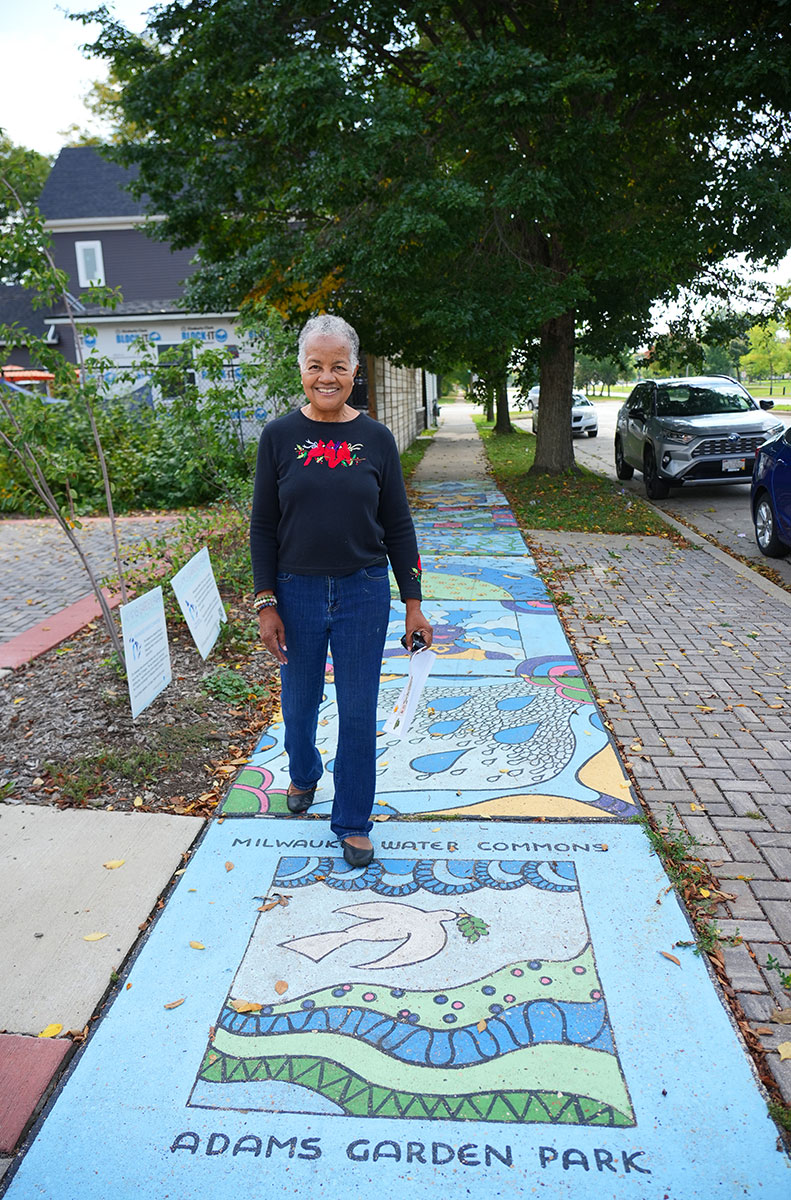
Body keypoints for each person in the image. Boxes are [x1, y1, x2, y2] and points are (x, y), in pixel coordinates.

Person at [250, 314, 433, 868]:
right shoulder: (279, 437)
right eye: (315, 366)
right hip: (296, 593)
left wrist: (414, 604)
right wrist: (266, 601)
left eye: (338, 366)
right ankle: (304, 770)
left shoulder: (376, 440)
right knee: (300, 704)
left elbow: (398, 525)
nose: (326, 377)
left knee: (357, 710)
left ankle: (352, 818)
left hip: (363, 592)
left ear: (356, 370)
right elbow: (262, 525)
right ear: (301, 370)